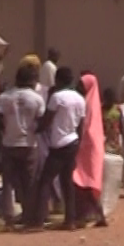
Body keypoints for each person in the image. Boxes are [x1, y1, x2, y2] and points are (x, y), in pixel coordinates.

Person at [29, 67, 85, 231]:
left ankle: (38, 221)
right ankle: (70, 220)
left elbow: (47, 120)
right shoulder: (80, 99)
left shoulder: (57, 97)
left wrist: (34, 128)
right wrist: (78, 143)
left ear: (58, 80)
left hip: (59, 144)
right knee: (67, 182)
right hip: (73, 142)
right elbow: (81, 125)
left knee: (45, 181)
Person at [0, 64, 43, 228]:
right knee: (30, 182)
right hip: (29, 144)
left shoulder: (4, 97)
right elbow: (42, 120)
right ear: (32, 80)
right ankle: (29, 216)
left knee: (8, 182)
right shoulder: (36, 98)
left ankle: (9, 218)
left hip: (9, 143)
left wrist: (6, 132)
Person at [70, 73, 109, 229]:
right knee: (85, 183)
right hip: (90, 148)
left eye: (81, 85)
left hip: (87, 148)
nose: (78, 87)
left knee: (85, 183)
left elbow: (85, 127)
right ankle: (91, 215)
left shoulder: (88, 105)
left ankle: (94, 215)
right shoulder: (92, 103)